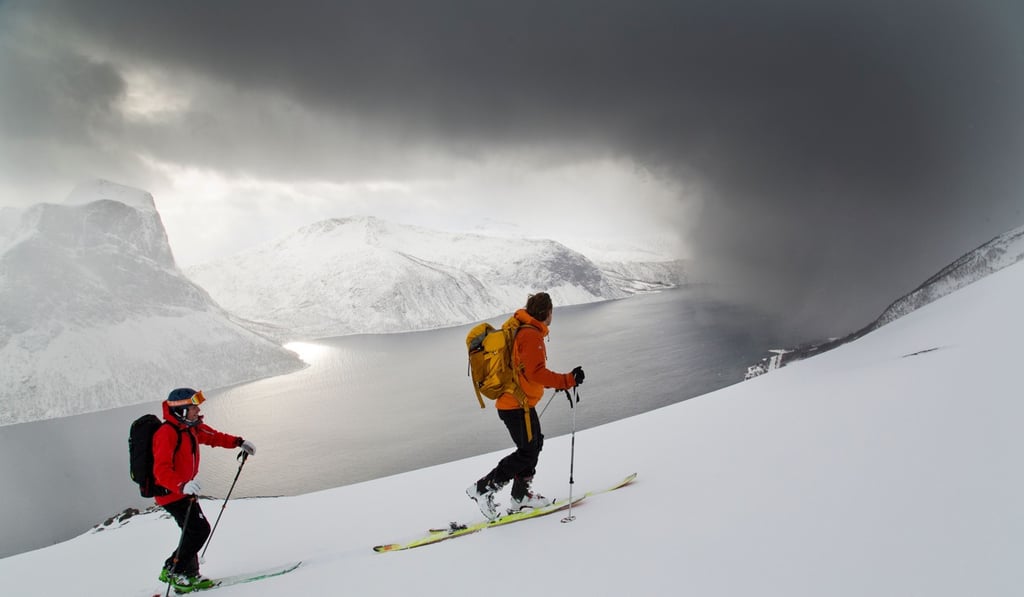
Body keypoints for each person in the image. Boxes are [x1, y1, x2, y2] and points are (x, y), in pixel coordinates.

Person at [466, 292, 585, 520]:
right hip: (515, 406)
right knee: (528, 450)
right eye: (552, 312)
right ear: (547, 312)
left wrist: (557, 383)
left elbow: (526, 372)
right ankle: (483, 488)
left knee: (534, 445)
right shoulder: (531, 335)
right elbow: (536, 372)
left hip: (518, 403)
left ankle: (520, 497)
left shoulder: (524, 329)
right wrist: (568, 380)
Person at [153, 388, 256, 591]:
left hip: (185, 491)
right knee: (199, 531)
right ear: (182, 410)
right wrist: (181, 485)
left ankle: (188, 575)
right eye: (193, 407)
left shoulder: (191, 427)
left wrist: (238, 442)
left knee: (192, 531)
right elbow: (161, 470)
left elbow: (213, 437)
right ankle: (173, 570)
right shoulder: (167, 433)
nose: (197, 410)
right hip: (172, 494)